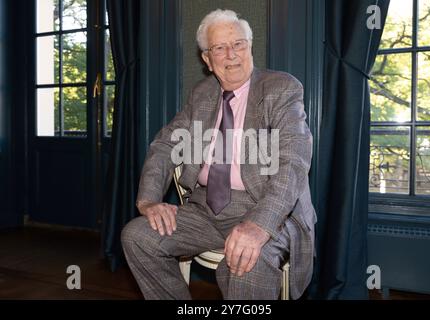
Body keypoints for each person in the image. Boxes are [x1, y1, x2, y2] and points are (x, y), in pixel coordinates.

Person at [121, 9, 316, 300]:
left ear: (250, 46)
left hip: (266, 207)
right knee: (137, 237)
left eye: (238, 44)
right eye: (220, 48)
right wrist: (149, 200)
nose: (231, 54)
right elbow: (165, 145)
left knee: (243, 264)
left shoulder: (281, 88)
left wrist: (259, 225)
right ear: (207, 59)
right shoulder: (201, 94)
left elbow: (293, 164)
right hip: (204, 210)